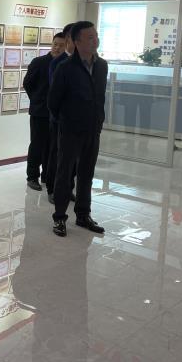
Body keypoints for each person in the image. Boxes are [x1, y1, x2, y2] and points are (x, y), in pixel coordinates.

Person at [48, 21, 108, 237]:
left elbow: (100, 96)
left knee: (86, 174)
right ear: (76, 42)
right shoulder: (65, 67)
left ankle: (83, 214)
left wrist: (98, 120)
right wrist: (65, 122)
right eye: (90, 37)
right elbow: (53, 101)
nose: (95, 40)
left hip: (93, 128)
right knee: (64, 174)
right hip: (70, 129)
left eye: (96, 36)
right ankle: (59, 217)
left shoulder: (102, 66)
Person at [22, 32, 65, 191]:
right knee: (37, 145)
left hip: (58, 115)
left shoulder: (66, 64)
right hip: (40, 111)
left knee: (53, 146)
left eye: (61, 45)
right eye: (55, 44)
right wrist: (36, 99)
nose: (57, 48)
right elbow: (28, 83)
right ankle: (32, 176)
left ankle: (47, 175)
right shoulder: (39, 62)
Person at [44, 23, 77, 202]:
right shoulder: (58, 62)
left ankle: (68, 187)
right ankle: (52, 189)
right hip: (60, 119)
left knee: (73, 158)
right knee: (56, 155)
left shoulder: (85, 61)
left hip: (78, 121)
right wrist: (58, 115)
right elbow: (54, 94)